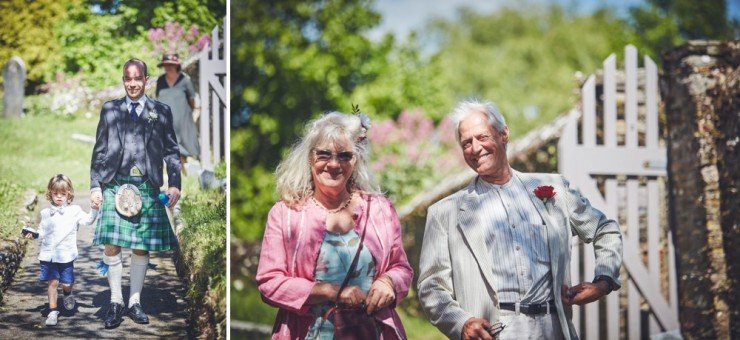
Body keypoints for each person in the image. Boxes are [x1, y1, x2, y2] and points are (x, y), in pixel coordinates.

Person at [417, 100, 623, 340]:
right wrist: (461, 323)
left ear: (504, 134)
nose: (475, 148)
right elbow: (431, 287)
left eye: (482, 137)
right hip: (495, 332)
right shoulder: (445, 213)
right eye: (466, 143)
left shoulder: (553, 189)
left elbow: (605, 230)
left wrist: (604, 281)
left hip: (554, 328)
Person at [256, 112, 414, 339]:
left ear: (355, 160)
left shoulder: (379, 209)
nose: (333, 164)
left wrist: (388, 282)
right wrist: (331, 292)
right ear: (310, 158)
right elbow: (269, 282)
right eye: (324, 154)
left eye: (344, 156)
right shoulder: (285, 214)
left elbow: (402, 268)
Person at [89, 58, 181, 329]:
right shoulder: (110, 110)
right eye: (127, 79)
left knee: (141, 244)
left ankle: (135, 301)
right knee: (112, 243)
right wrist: (95, 186)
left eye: (137, 78)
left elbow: (172, 152)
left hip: (147, 185)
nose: (132, 83)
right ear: (123, 80)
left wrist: (174, 183)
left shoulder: (161, 111)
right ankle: (116, 301)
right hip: (115, 183)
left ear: (146, 80)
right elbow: (100, 151)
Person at [24, 174, 98, 326]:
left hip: (66, 255)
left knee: (66, 283)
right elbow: (42, 233)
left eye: (63, 194)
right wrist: (34, 235)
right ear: (50, 193)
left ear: (69, 194)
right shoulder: (45, 213)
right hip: (48, 255)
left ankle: (67, 292)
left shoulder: (75, 211)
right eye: (55, 193)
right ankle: (52, 311)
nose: (59, 197)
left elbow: (88, 221)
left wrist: (94, 209)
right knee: (53, 282)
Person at [155, 53, 200, 169]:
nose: (169, 67)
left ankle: (182, 169)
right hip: (166, 119)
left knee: (182, 145)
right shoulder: (160, 81)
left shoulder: (185, 80)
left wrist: (191, 113)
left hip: (182, 118)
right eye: (166, 65)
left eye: (171, 65)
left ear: (176, 66)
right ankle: (172, 169)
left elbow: (192, 99)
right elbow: (158, 99)